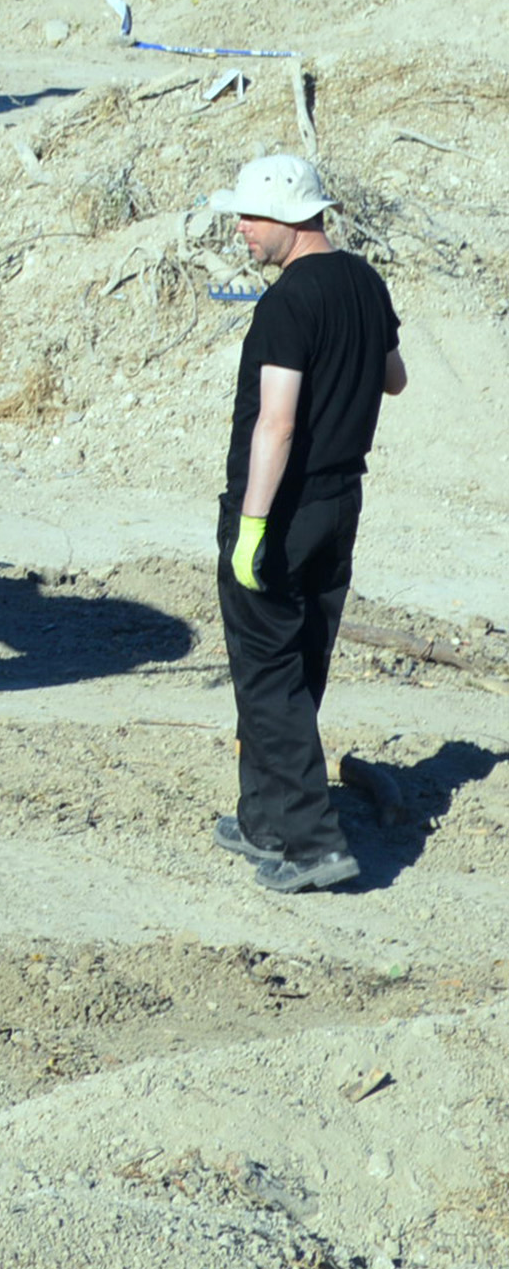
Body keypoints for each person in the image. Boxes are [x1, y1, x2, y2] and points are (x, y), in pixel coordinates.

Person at [206, 154, 405, 896]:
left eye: (249, 218)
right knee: (300, 663)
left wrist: (252, 525)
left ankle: (313, 845)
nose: (240, 230)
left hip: (281, 506)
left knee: (267, 675)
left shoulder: (288, 302)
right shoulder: (362, 281)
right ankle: (263, 818)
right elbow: (394, 377)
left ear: (289, 218)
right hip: (339, 503)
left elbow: (276, 424)